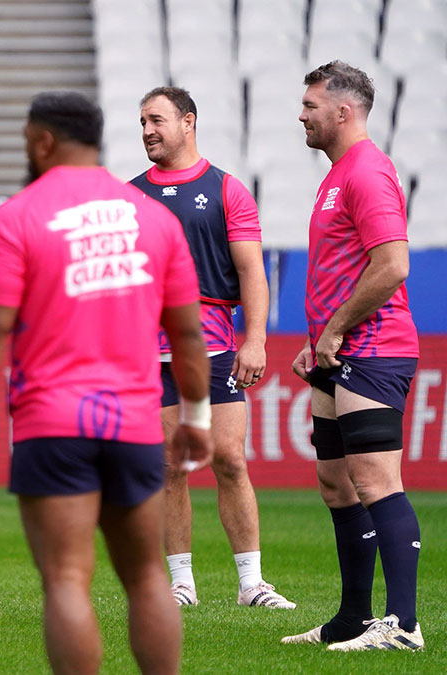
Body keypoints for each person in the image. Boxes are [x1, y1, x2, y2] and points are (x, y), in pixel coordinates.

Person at [0, 91, 213, 673]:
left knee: (66, 579)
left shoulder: (20, 215)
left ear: (42, 142)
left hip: (53, 424)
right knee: (146, 576)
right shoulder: (154, 217)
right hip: (136, 422)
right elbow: (189, 336)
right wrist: (196, 418)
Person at [131, 87, 294, 609]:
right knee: (168, 466)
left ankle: (252, 584)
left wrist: (256, 339)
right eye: (142, 123)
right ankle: (181, 584)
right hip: (152, 348)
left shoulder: (226, 189)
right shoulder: (130, 195)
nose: (148, 131)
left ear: (188, 122)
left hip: (217, 343)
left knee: (229, 459)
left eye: (156, 120)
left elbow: (251, 270)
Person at [281, 61, 423, 651]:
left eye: (311, 105)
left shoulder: (368, 171)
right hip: (337, 350)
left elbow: (392, 265)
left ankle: (405, 625)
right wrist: (319, 340)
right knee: (336, 484)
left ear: (344, 111)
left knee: (374, 480)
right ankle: (353, 619)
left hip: (373, 347)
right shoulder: (337, 174)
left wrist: (335, 330)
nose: (301, 114)